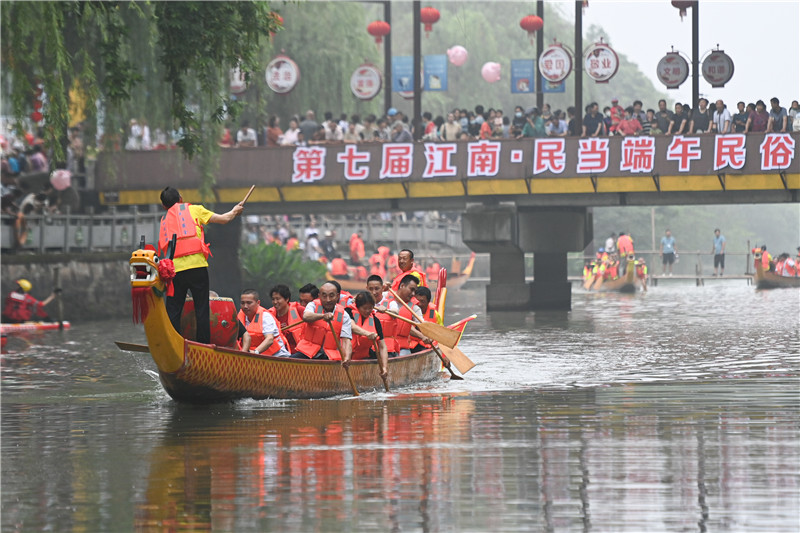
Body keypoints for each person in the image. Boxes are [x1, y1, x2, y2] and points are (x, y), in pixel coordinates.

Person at [158, 186, 243, 344]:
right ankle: (203, 345)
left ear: (164, 206)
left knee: (173, 310)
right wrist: (235, 211)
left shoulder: (164, 221)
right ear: (181, 199)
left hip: (175, 271)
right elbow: (225, 219)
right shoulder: (194, 210)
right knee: (201, 308)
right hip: (197, 268)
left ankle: (173, 343)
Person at [291, 281, 352, 361]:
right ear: (319, 296)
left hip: (328, 356)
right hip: (307, 352)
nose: (328, 300)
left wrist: (347, 358)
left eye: (331, 296)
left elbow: (346, 340)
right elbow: (306, 316)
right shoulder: (312, 305)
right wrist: (323, 316)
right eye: (324, 296)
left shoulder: (344, 315)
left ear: (337, 296)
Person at [386, 275, 432, 356]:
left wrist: (425, 336)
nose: (413, 294)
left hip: (402, 348)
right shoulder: (384, 297)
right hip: (382, 344)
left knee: (404, 354)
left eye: (415, 291)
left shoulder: (415, 309)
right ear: (402, 286)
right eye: (411, 289)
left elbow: (423, 325)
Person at [238, 289, 290, 356]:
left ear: (258, 303)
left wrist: (255, 352)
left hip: (276, 356)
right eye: (242, 303)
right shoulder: (239, 316)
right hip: (254, 356)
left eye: (249, 303)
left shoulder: (266, 317)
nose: (245, 306)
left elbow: (269, 339)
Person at [350, 292, 389, 379]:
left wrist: (384, 368)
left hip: (364, 356)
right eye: (364, 308)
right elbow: (352, 327)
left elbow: (382, 347)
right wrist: (367, 334)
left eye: (370, 308)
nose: (368, 311)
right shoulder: (348, 312)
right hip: (346, 356)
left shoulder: (375, 321)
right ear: (358, 306)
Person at [267, 284, 304, 353]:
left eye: (278, 299)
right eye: (273, 299)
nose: (275, 302)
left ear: (287, 299)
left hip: (298, 352)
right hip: (278, 353)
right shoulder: (269, 315)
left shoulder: (298, 310)